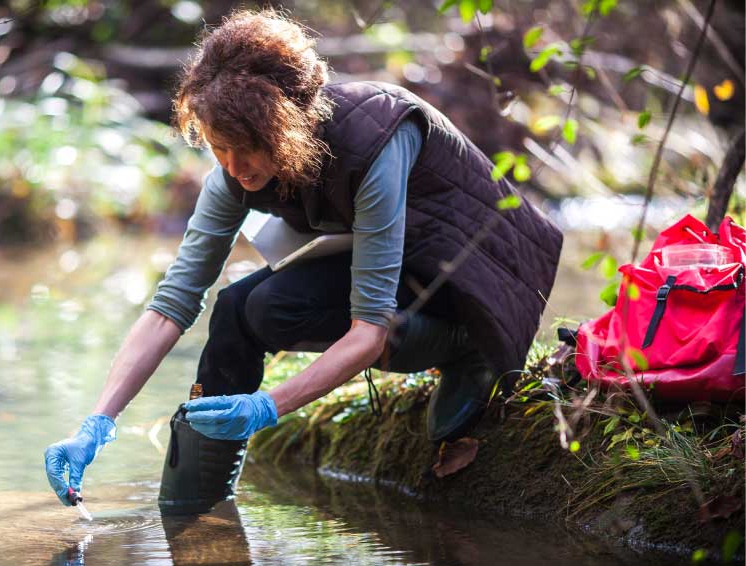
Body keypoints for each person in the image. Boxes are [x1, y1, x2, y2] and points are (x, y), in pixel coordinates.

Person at [45, 9, 563, 508]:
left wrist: (267, 407)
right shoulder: (234, 170)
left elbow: (369, 329)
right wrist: (96, 424)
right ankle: (195, 509)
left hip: (479, 282)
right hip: (407, 259)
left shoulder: (377, 137)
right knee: (237, 310)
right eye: (218, 148)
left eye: (244, 148)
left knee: (274, 306)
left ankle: (466, 348)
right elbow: (171, 306)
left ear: (282, 127)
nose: (233, 166)